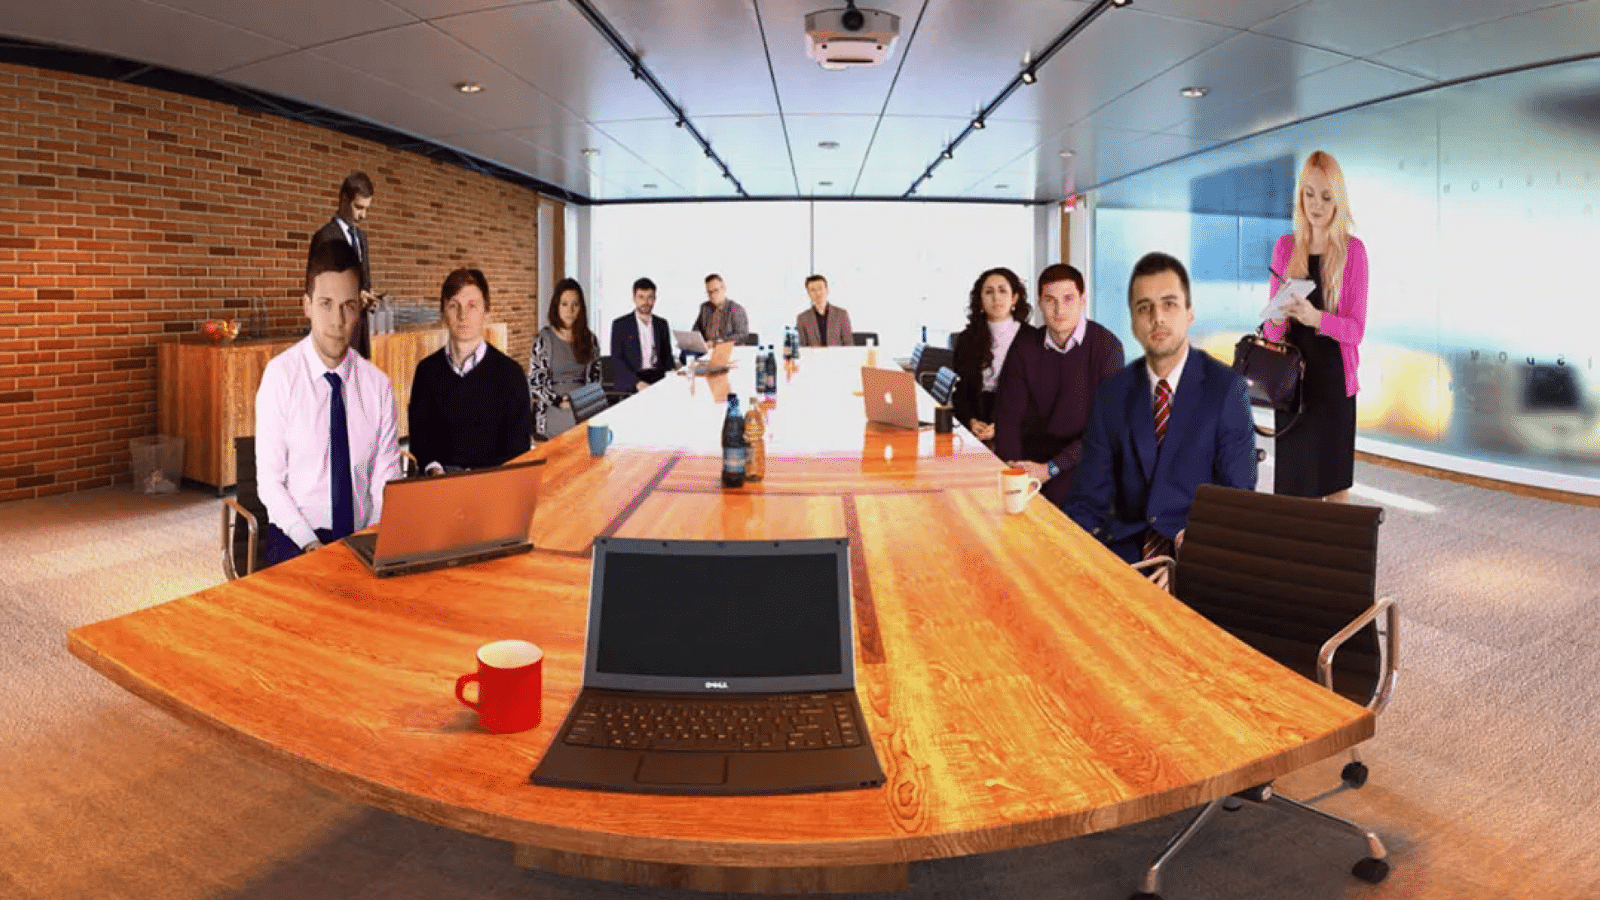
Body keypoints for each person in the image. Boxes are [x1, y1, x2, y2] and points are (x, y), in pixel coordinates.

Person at [1065, 252, 1256, 587]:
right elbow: (1088, 498)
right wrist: (1067, 556)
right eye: (1145, 307)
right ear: (1134, 321)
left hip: (1197, 554)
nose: (1157, 318)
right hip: (1125, 553)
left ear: (1189, 313)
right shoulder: (1112, 394)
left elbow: (1236, 504)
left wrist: (1185, 565)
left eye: (1169, 304)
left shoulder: (1226, 391)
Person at [255, 239, 401, 568]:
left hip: (361, 533)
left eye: (348, 305)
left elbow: (385, 477)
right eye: (325, 303)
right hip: (297, 536)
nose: (337, 320)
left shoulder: (377, 386)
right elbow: (271, 482)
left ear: (360, 309)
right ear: (306, 305)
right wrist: (308, 542)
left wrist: (377, 535)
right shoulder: (280, 377)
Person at [1266, 150, 1369, 502]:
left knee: (1334, 485)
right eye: (1308, 194)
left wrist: (1317, 319)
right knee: (1294, 487)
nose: (1316, 205)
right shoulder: (1285, 247)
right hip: (1292, 385)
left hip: (1333, 383)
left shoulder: (1353, 252)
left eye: (1326, 196)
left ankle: (1333, 559)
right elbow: (1271, 334)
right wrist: (1276, 317)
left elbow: (1356, 330)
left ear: (1338, 200)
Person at [993, 264, 1124, 507]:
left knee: (1056, 516)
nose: (1059, 309)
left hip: (1083, 460)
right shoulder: (1024, 347)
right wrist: (1014, 470)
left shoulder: (1107, 348)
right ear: (1040, 303)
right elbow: (1008, 417)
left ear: (1083, 299)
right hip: (1031, 461)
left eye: (1068, 299)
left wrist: (1050, 469)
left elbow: (1103, 431)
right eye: (1050, 300)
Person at [407, 268, 532, 474]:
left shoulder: (511, 376)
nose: (462, 315)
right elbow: (420, 442)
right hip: (440, 486)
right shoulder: (426, 372)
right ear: (443, 313)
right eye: (454, 306)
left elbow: (518, 452)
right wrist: (434, 470)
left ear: (486, 313)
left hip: (492, 488)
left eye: (472, 306)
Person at [951, 267, 1034, 442]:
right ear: (980, 301)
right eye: (989, 292)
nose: (996, 297)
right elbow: (961, 391)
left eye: (1002, 291)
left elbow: (1037, 396)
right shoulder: (967, 339)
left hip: (1019, 423)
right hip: (976, 420)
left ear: (1014, 298)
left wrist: (1003, 425)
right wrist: (971, 421)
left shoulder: (1033, 338)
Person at [308, 171, 379, 358]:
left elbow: (364, 282)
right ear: (344, 199)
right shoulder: (324, 237)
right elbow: (318, 292)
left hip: (359, 338)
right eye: (358, 207)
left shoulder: (362, 238)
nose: (363, 215)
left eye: (366, 209)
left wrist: (368, 297)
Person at [530, 277, 602, 439]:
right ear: (556, 307)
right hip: (552, 406)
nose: (570, 310)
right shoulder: (544, 338)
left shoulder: (590, 340)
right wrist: (558, 401)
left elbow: (596, 383)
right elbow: (535, 383)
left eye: (575, 304)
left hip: (582, 405)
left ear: (581, 308)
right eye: (564, 304)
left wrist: (578, 402)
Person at [609, 277, 673, 393]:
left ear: (655, 299)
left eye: (650, 297)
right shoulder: (620, 325)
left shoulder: (662, 324)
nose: (646, 302)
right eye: (641, 297)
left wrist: (671, 376)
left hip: (657, 378)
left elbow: (667, 358)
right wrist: (637, 383)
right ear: (634, 299)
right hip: (631, 380)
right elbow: (617, 360)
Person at [795, 274, 853, 347]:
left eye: (820, 288)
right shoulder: (802, 318)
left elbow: (848, 343)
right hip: (813, 358)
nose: (818, 293)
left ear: (827, 290)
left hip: (837, 357)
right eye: (813, 290)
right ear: (809, 294)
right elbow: (802, 346)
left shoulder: (841, 314)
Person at [694, 273, 750, 345]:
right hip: (707, 350)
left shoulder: (736, 309)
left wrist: (716, 342)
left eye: (716, 290)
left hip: (726, 349)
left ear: (724, 288)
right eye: (709, 292)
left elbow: (742, 336)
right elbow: (696, 331)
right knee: (684, 352)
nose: (713, 295)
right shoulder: (705, 308)